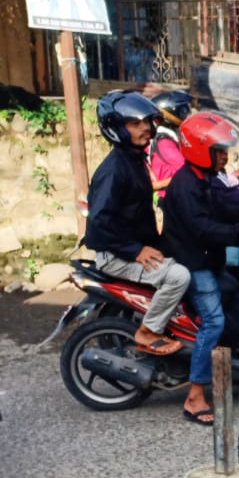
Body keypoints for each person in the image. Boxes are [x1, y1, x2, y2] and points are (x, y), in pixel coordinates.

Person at [160, 112, 239, 425]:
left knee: (232, 291)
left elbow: (228, 202)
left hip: (206, 259)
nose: (225, 156)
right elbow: (204, 229)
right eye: (220, 150)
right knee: (213, 321)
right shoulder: (187, 185)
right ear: (201, 150)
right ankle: (195, 395)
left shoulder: (206, 179)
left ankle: (232, 356)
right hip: (191, 261)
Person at [84, 91, 189, 355]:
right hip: (116, 255)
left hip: (132, 245)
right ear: (116, 128)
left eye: (146, 122)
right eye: (134, 124)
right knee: (178, 277)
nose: (145, 128)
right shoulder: (114, 170)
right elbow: (99, 223)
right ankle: (149, 331)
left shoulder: (134, 159)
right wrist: (135, 251)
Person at [147, 89, 193, 192]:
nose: (188, 114)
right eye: (184, 111)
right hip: (168, 195)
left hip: (178, 190)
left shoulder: (173, 135)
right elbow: (186, 169)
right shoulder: (164, 142)